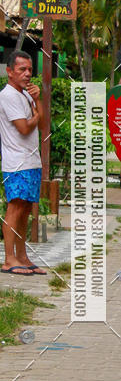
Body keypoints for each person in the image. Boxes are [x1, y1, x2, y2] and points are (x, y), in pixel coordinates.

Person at [0, 51, 46, 275]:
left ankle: (22, 256)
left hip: (31, 160)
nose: (28, 74)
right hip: (16, 163)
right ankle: (9, 259)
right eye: (22, 70)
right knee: (15, 207)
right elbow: (25, 127)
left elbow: (43, 124)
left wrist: (37, 100)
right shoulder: (8, 96)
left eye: (29, 69)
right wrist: (36, 115)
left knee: (26, 209)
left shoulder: (26, 95)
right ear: (10, 72)